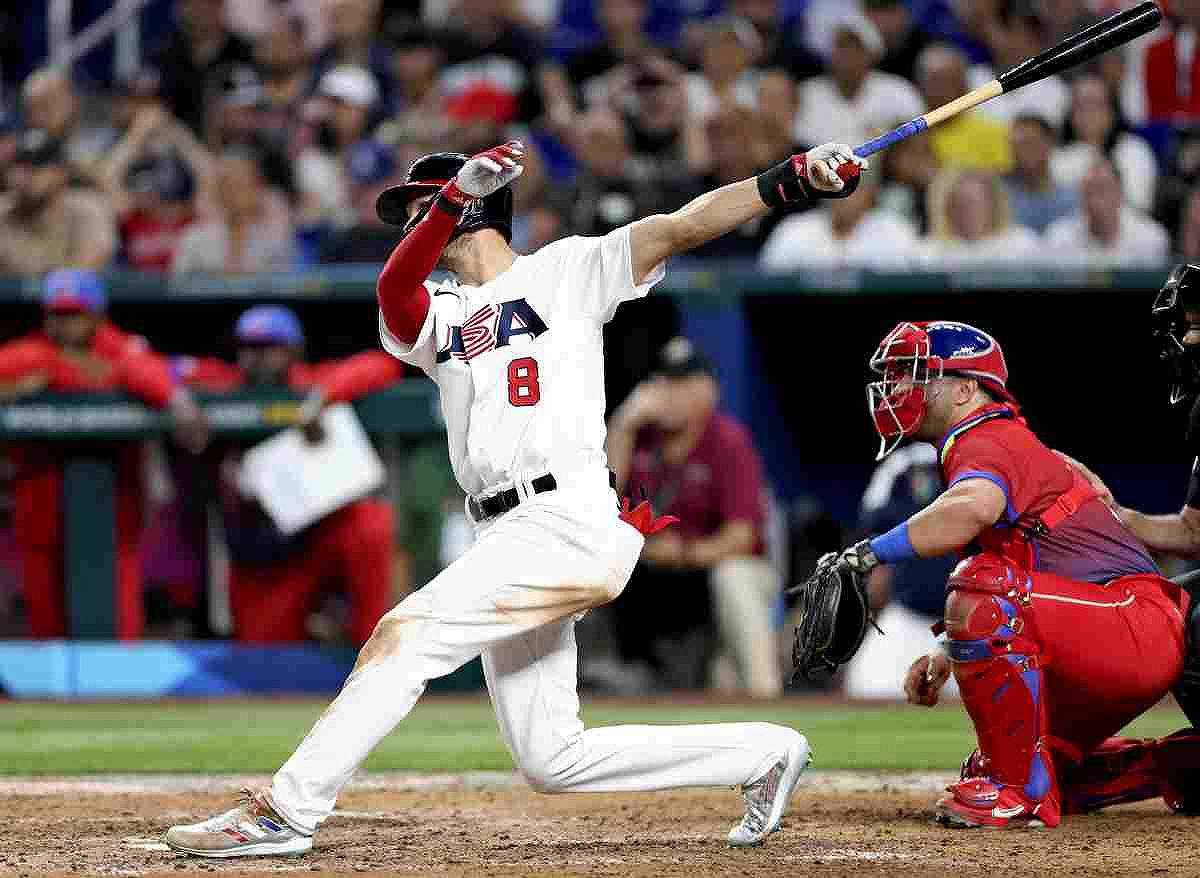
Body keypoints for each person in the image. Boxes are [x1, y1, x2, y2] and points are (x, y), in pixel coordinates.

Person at [164, 135, 868, 855]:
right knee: (550, 757)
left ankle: (287, 809)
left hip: (563, 516)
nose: (412, 223)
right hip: (506, 531)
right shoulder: (438, 312)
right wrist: (452, 200)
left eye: (422, 207)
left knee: (405, 637)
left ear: (475, 209)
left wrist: (792, 179)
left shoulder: (566, 269)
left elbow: (684, 224)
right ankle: (764, 752)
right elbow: (393, 294)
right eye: (417, 210)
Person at [808, 319, 1194, 828]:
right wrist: (949, 652)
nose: (898, 389)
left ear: (966, 388)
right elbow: (1023, 565)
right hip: (1113, 627)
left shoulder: (987, 435)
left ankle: (1018, 796)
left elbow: (972, 510)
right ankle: (1179, 766)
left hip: (1131, 621)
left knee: (981, 587)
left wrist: (867, 554)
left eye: (915, 375)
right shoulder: (981, 444)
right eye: (897, 376)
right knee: (1015, 758)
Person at [170, 305, 404, 645]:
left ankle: (370, 649)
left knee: (371, 523)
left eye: (269, 347)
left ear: (294, 351)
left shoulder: (309, 384)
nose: (257, 357)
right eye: (249, 348)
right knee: (267, 664)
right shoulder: (223, 385)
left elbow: (383, 365)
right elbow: (157, 368)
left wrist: (321, 399)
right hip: (263, 560)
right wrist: (174, 398)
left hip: (317, 540)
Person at [0, 270, 207, 639]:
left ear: (97, 315)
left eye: (74, 313)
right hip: (40, 497)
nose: (63, 324)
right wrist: (66, 370)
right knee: (45, 609)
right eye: (56, 314)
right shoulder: (34, 349)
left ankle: (119, 684)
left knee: (118, 603)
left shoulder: (123, 348)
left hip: (114, 500)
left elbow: (144, 369)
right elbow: (20, 361)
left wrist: (175, 399)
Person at [606, 338, 783, 698]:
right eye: (664, 383)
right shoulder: (638, 438)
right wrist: (622, 426)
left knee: (732, 577)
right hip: (651, 579)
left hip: (720, 576)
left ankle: (766, 694)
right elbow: (597, 502)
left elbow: (742, 538)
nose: (671, 394)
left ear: (708, 390)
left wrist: (683, 553)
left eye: (684, 384)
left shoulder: (728, 441)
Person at [792, 12, 923, 151]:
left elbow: (916, 144)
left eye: (856, 48)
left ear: (872, 55)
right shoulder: (806, 94)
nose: (847, 55)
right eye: (841, 47)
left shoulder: (900, 92)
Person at [0, 130, 117, 274]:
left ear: (61, 173)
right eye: (20, 165)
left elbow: (84, 270)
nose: (25, 175)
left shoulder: (88, 207)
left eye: (37, 166)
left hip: (72, 296)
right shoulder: (4, 211)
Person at [760, 164, 917, 270]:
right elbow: (766, 283)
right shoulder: (794, 230)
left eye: (851, 187)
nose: (842, 195)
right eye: (834, 185)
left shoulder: (896, 231)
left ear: (871, 192)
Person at [1044, 158, 1169, 267]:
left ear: (1120, 193)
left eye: (1102, 190)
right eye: (1089, 192)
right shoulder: (1058, 238)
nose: (1095, 201)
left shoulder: (1150, 238)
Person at [915, 43, 1011, 173]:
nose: (942, 91)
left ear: (964, 87)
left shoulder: (992, 132)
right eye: (935, 82)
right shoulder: (910, 136)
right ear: (921, 86)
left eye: (950, 82)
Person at [1004, 113, 1078, 234]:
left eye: (1028, 143)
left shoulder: (1071, 197)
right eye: (1015, 145)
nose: (1020, 151)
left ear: (1050, 143)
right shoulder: (1001, 195)